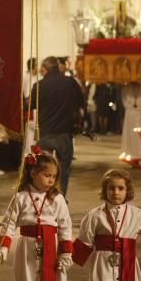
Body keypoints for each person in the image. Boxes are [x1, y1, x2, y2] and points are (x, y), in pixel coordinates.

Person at [0, 149, 73, 281]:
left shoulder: (58, 199)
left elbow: (65, 226)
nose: (50, 180)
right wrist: (3, 247)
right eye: (46, 175)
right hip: (28, 250)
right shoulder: (20, 197)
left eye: (54, 176)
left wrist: (65, 253)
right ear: (32, 173)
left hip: (51, 248)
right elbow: (8, 224)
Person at [31, 56, 84, 196]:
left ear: (45, 68)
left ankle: (43, 197)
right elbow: (80, 101)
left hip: (46, 132)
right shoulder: (70, 82)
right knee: (63, 170)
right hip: (64, 133)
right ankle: (60, 198)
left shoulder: (39, 85)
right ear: (58, 67)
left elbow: (30, 105)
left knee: (43, 169)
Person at [120, 82, 141, 159]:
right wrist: (131, 106)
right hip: (130, 113)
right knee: (131, 136)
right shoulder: (126, 89)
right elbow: (124, 99)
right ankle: (133, 158)